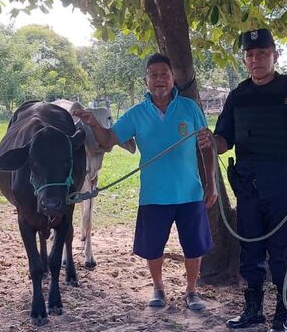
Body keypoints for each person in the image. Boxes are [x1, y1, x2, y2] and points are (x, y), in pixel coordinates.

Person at [198, 27, 287, 332]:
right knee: (250, 247)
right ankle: (253, 308)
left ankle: (284, 311)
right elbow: (224, 139)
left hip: (281, 181)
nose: (256, 60)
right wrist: (211, 141)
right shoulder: (238, 95)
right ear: (244, 59)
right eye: (250, 55)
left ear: (274, 56)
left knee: (281, 249)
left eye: (262, 54)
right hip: (248, 183)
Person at [76, 54, 217, 310]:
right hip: (154, 194)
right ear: (146, 80)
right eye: (153, 75)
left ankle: (192, 291)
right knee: (153, 247)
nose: (159, 79)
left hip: (190, 192)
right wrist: (94, 124)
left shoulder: (190, 109)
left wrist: (212, 184)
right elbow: (108, 141)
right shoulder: (136, 114)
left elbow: (207, 147)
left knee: (193, 246)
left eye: (165, 74)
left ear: (173, 78)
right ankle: (158, 288)